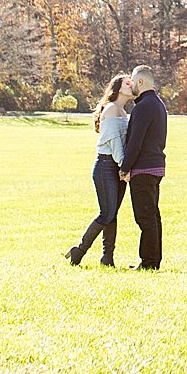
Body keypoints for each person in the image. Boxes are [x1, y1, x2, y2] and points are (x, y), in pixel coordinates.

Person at [65, 74, 133, 267]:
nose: (132, 85)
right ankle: (79, 250)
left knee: (112, 214)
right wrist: (123, 167)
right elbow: (114, 144)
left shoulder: (122, 111)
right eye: (128, 83)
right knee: (106, 213)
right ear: (118, 87)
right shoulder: (111, 109)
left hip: (116, 165)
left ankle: (107, 258)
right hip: (105, 166)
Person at [118, 64, 168, 270]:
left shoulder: (143, 107)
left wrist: (124, 167)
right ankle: (152, 260)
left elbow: (135, 141)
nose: (131, 84)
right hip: (156, 166)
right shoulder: (158, 104)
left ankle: (148, 263)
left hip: (143, 169)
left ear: (141, 81)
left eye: (132, 80)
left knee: (145, 217)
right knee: (153, 216)